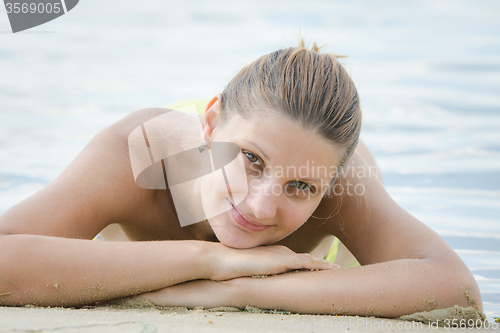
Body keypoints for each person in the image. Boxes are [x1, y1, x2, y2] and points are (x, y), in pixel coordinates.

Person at [0, 41, 482, 317]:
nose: (259, 206)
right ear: (211, 125)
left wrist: (240, 290)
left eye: (301, 187)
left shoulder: (341, 182)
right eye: (251, 159)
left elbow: (452, 286)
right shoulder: (141, 151)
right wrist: (209, 260)